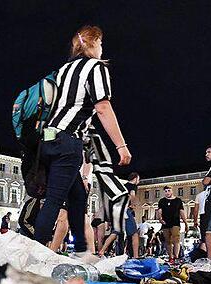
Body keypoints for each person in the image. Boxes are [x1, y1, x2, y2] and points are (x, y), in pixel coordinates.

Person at [32, 25, 131, 263]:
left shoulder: (63, 70)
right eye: (100, 43)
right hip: (67, 140)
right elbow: (102, 107)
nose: (102, 48)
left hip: (48, 139)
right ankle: (34, 256)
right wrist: (120, 145)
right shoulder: (96, 67)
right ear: (93, 43)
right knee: (55, 200)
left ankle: (82, 252)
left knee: (77, 195)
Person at [157, 185, 188, 263]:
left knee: (176, 239)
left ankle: (176, 256)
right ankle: (171, 257)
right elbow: (159, 211)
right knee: (168, 241)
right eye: (166, 191)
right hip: (165, 223)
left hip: (175, 223)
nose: (167, 192)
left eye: (169, 190)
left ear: (172, 191)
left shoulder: (178, 200)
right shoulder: (161, 201)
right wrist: (160, 219)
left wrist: (185, 222)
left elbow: (181, 212)